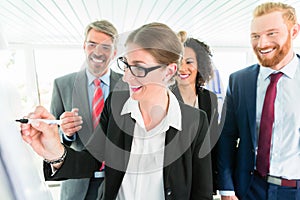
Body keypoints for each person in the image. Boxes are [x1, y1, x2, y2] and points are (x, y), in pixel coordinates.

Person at [21, 22, 213, 200]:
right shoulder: (116, 104)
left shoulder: (194, 121)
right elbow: (91, 159)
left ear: (169, 71)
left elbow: (201, 193)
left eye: (138, 68)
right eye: (126, 64)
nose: (127, 78)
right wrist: (55, 151)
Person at [217, 2, 300, 200]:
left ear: (294, 31)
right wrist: (226, 189)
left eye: (272, 33)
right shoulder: (239, 80)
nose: (261, 44)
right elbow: (226, 136)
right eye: (255, 36)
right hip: (249, 188)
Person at [50, 20, 124, 200]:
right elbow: (53, 136)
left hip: (119, 184)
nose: (98, 52)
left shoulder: (128, 86)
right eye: (92, 44)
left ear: (114, 52)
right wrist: (66, 133)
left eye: (106, 47)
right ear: (84, 46)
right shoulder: (62, 85)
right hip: (77, 186)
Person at [173, 31, 219, 195]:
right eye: (178, 61)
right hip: (174, 181)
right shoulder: (165, 97)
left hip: (202, 179)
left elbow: (214, 141)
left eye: (189, 62)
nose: (183, 68)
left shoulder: (210, 99)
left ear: (201, 65)